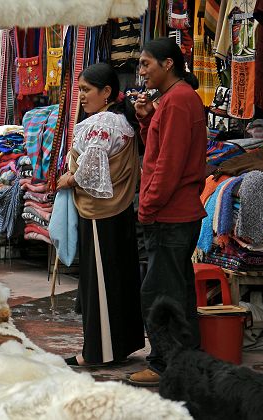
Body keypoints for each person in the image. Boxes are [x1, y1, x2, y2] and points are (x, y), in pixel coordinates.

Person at [128, 37, 207, 386]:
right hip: (177, 213)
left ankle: (165, 364)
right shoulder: (176, 100)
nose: (141, 71)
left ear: (168, 64)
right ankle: (186, 363)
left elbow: (168, 165)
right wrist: (147, 120)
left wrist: (148, 206)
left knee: (160, 293)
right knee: (177, 290)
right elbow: (159, 151)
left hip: (171, 215)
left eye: (146, 64)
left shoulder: (177, 101)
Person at [57, 62, 145, 367]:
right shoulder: (121, 122)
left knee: (100, 282)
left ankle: (97, 351)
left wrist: (67, 179)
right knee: (118, 277)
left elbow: (91, 172)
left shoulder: (100, 124)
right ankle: (119, 345)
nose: (81, 96)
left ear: (106, 92)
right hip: (118, 211)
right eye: (80, 89)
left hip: (98, 213)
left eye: (86, 90)